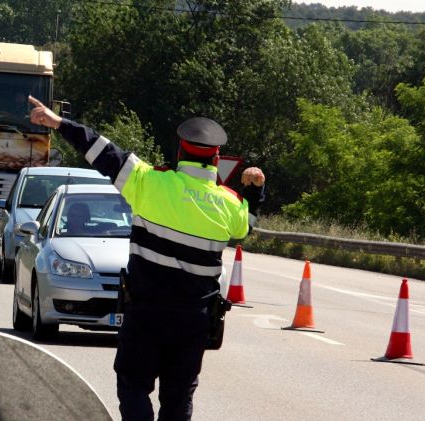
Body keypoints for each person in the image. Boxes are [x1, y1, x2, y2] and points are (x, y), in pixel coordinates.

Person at [28, 95, 265, 421]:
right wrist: (253, 191)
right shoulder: (228, 204)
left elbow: (102, 151)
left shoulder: (148, 182)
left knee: (133, 386)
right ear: (217, 158)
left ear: (180, 151)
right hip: (193, 320)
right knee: (179, 397)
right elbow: (246, 224)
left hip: (146, 313)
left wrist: (60, 123)